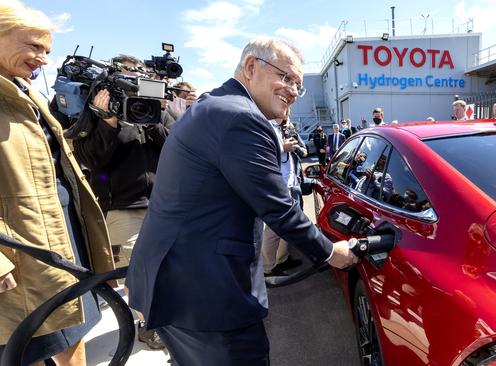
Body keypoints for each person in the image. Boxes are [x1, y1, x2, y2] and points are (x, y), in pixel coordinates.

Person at [125, 37, 358, 365]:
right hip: (207, 296)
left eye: (298, 86)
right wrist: (333, 252)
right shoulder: (241, 118)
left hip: (178, 283)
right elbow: (277, 207)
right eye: (286, 77)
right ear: (251, 67)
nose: (292, 90)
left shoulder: (212, 106)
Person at [0, 2, 114, 365]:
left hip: (59, 234)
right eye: (34, 46)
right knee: (28, 345)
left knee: (72, 328)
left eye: (47, 50)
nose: (44, 59)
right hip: (20, 249)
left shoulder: (26, 94)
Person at [71, 54, 174, 350]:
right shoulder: (97, 109)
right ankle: (147, 324)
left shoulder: (156, 109)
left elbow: (176, 146)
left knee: (163, 269)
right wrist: (108, 123)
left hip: (161, 205)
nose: (134, 78)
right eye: (128, 72)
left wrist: (154, 117)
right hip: (124, 208)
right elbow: (89, 159)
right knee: (137, 272)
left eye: (139, 72)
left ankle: (158, 318)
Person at [262, 115, 307, 277]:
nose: (287, 111)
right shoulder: (265, 126)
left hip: (291, 182)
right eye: (285, 107)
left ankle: (282, 259)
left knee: (288, 226)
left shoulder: (289, 128)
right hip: (275, 185)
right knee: (274, 229)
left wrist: (297, 147)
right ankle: (268, 268)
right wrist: (282, 147)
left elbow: (303, 150)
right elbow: (257, 152)